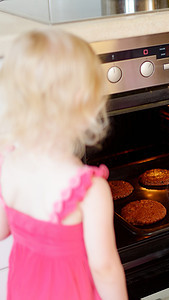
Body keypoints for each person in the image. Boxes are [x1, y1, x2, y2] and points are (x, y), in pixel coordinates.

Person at [0, 29, 128, 299]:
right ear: (85, 104)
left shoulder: (7, 163)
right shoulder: (89, 189)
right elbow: (104, 267)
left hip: (24, 287)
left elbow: (1, 230)